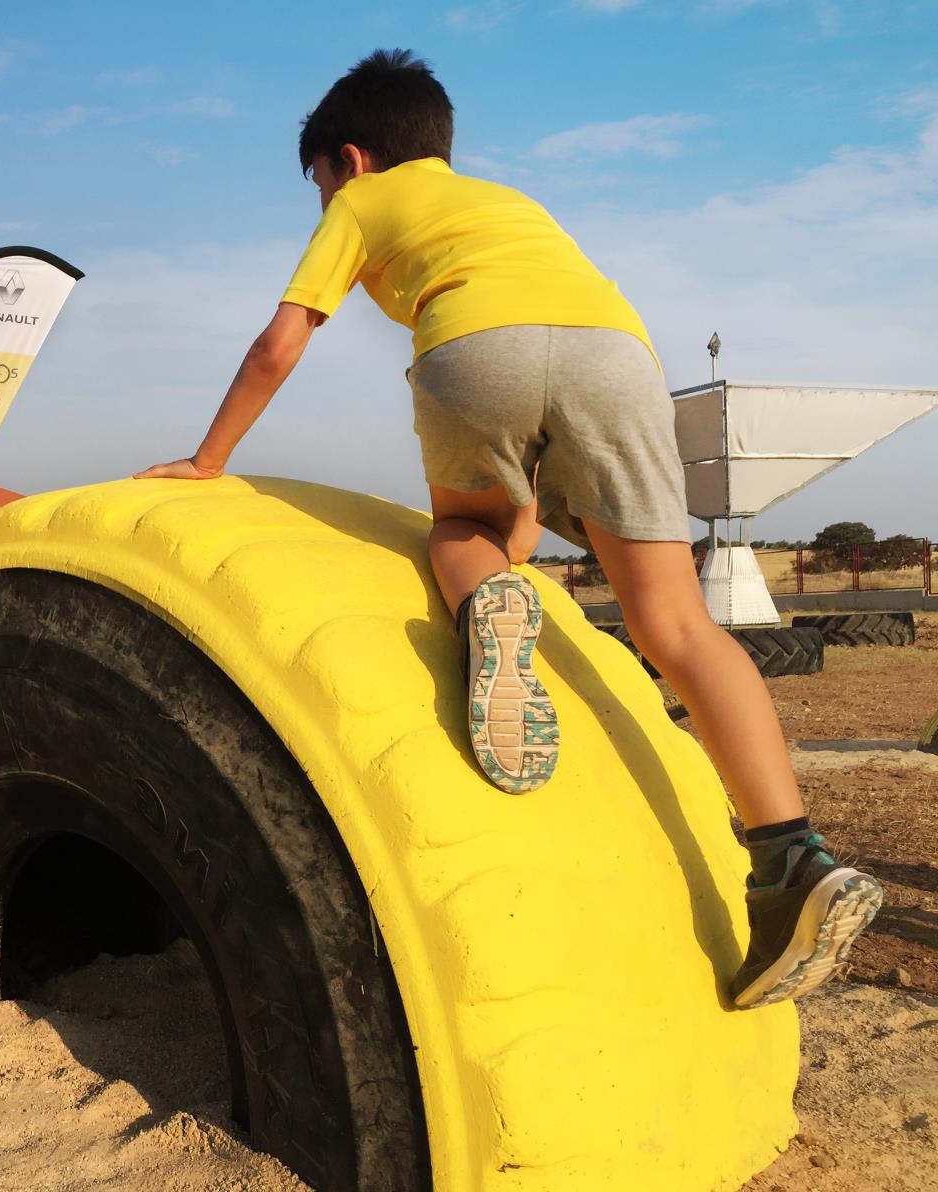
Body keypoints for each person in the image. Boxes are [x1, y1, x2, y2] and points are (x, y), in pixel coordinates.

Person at [135, 49, 881, 1009]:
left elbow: (281, 341)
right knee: (678, 626)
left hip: (472, 345)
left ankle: (487, 604)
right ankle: (792, 860)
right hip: (616, 354)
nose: (323, 204)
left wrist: (207, 460)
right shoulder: (512, 207)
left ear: (350, 160)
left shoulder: (363, 204)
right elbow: (552, 354)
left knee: (464, 533)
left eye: (318, 186)